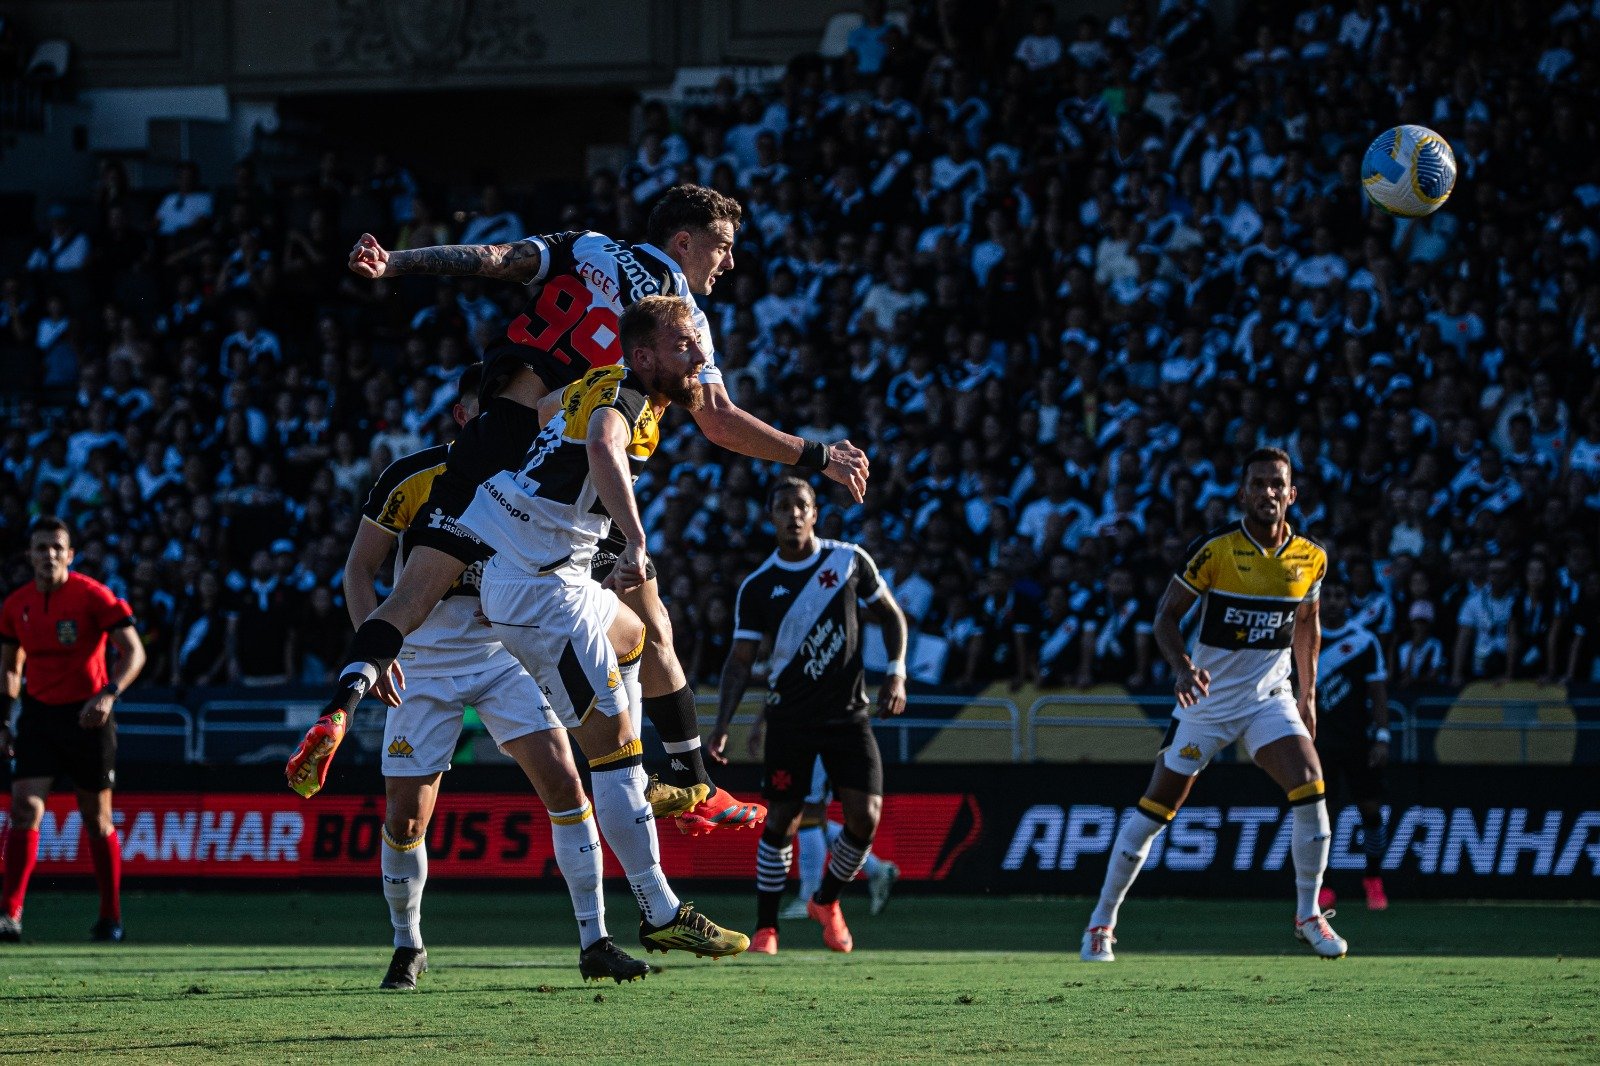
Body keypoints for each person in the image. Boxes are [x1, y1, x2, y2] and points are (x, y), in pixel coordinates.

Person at [300, 184, 869, 836]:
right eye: (723, 246)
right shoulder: (676, 316)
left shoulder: (587, 246)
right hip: (553, 472)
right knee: (646, 622)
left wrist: (396, 263)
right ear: (685, 242)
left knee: (411, 594)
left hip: (488, 438)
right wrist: (817, 455)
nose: (728, 263)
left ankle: (339, 707)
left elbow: (492, 257)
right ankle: (686, 780)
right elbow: (718, 423)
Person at [320, 363, 660, 987]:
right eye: (498, 410)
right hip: (420, 664)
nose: (517, 421)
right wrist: (379, 651)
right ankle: (408, 943)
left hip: (504, 655)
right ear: (463, 416)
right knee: (406, 818)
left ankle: (595, 939)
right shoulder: (414, 477)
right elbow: (359, 570)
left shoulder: (534, 475)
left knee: (566, 782)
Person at [465, 295, 750, 959]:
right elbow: (599, 442)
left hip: (548, 575)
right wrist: (633, 538)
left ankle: (641, 780)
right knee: (613, 750)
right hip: (542, 595)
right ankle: (661, 909)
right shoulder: (622, 398)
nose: (700, 358)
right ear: (644, 355)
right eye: (685, 347)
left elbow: (548, 417)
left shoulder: (600, 384)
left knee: (632, 635)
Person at [1081, 448, 1346, 961]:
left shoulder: (1311, 557)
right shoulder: (1216, 550)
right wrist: (1182, 666)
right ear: (1243, 493)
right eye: (1258, 484)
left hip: (1270, 699)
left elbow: (1308, 626)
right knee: (1156, 811)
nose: (1268, 493)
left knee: (1312, 787)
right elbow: (1165, 617)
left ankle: (1308, 914)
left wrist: (1308, 693)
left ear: (1292, 494)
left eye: (1277, 484)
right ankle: (1101, 923)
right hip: (1207, 702)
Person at [709, 477, 908, 955]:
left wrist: (898, 674)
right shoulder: (758, 586)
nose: (793, 514)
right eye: (783, 507)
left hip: (848, 715)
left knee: (866, 817)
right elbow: (739, 662)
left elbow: (893, 615)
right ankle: (766, 927)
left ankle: (826, 901)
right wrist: (721, 725)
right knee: (783, 819)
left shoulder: (848, 560)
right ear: (771, 516)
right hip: (790, 720)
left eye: (802, 505)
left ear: (815, 512)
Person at [0, 518, 147, 943]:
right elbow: (11, 667)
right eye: (40, 547)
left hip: (89, 718)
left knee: (96, 818)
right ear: (29, 555)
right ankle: (10, 915)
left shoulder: (92, 596)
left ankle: (110, 916)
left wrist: (109, 694)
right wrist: (3, 720)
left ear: (70, 554)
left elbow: (133, 651)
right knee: (25, 809)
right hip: (39, 717)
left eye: (56, 547)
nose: (48, 555)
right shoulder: (15, 605)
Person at [1312, 579, 1391, 912]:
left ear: (1348, 602)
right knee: (1321, 818)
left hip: (1358, 740)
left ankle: (1373, 878)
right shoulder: (1305, 638)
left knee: (1370, 811)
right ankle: (1324, 885)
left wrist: (1383, 736)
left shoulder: (1364, 641)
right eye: (1326, 595)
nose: (1332, 601)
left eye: (1338, 595)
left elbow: (1377, 692)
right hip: (1319, 743)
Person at [778, 756, 900, 920]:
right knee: (811, 818)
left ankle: (808, 898)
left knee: (808, 813)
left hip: (812, 741)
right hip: (808, 742)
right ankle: (876, 869)